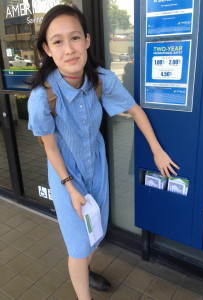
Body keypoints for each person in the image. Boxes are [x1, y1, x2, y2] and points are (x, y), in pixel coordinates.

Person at [28, 4, 179, 300]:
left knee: (94, 235)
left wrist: (157, 151)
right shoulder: (41, 97)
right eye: (57, 41)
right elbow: (50, 145)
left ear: (87, 41)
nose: (69, 49)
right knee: (77, 246)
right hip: (66, 176)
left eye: (74, 38)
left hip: (97, 169)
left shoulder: (101, 80)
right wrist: (69, 186)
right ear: (47, 49)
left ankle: (85, 268)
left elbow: (135, 110)